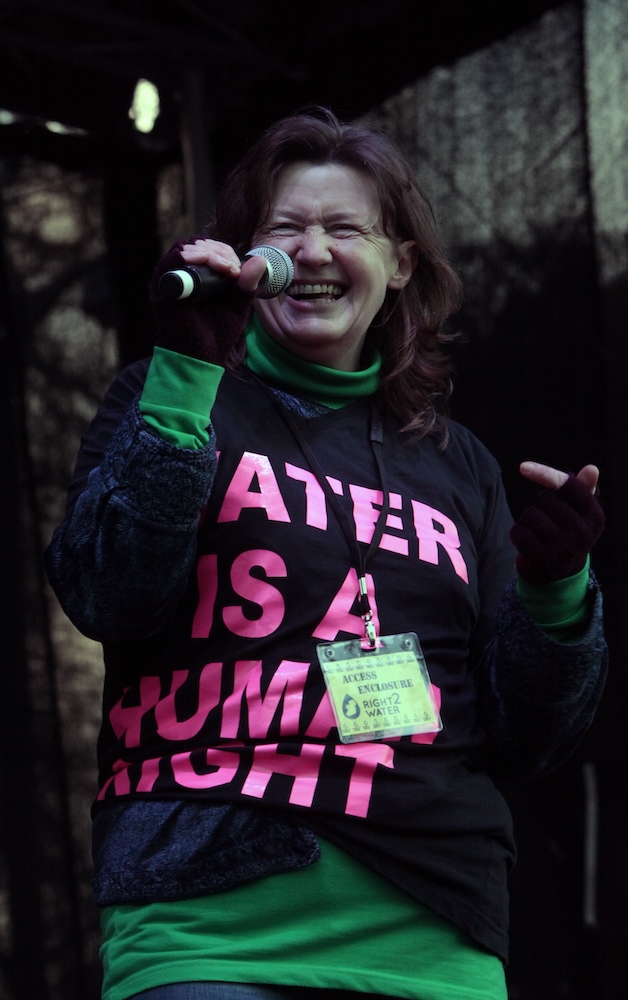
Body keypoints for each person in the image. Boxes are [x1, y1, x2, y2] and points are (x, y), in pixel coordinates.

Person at [45, 109, 607, 1000]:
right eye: (284, 229)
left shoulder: (456, 464)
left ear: (399, 267)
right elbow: (104, 596)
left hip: (432, 926)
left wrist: (555, 592)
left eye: (344, 229)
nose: (311, 251)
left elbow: (527, 733)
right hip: (206, 921)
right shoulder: (169, 396)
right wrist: (186, 376)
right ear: (244, 257)